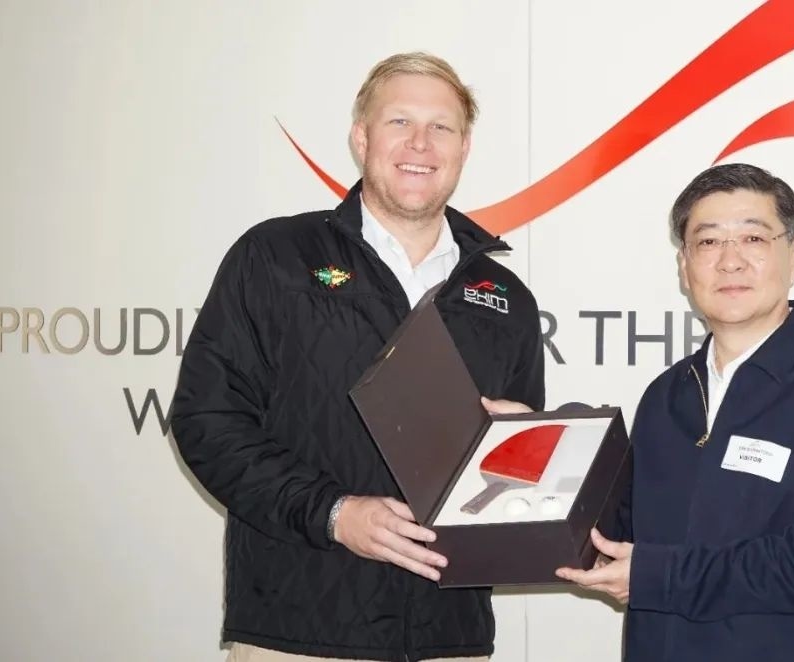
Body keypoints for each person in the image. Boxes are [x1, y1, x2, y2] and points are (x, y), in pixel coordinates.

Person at [171, 52, 544, 662]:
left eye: (441, 126)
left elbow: (511, 491)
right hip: (298, 631)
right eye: (399, 121)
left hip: (450, 637)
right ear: (362, 137)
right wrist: (333, 513)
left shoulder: (506, 299)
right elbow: (207, 422)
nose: (420, 143)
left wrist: (524, 446)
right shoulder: (275, 257)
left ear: (464, 147)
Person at [555, 163, 794, 661]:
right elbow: (619, 533)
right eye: (708, 242)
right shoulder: (667, 395)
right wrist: (552, 445)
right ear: (684, 266)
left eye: (753, 238)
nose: (730, 261)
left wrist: (661, 576)